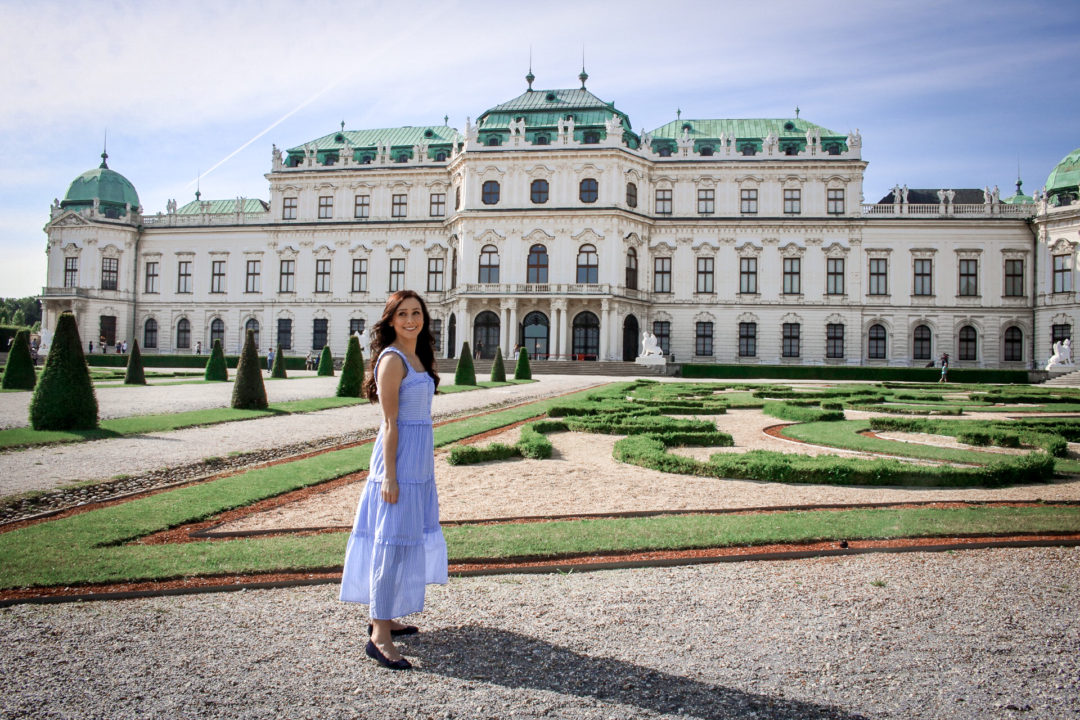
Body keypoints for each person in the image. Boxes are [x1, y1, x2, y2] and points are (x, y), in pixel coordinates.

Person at [340, 290, 447, 671]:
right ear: (390, 320)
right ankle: (379, 636)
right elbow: (389, 423)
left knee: (404, 542)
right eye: (402, 314)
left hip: (417, 465)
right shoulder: (392, 359)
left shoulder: (417, 356)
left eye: (416, 313)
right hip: (398, 464)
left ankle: (384, 616)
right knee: (389, 543)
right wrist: (389, 476)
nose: (410, 320)